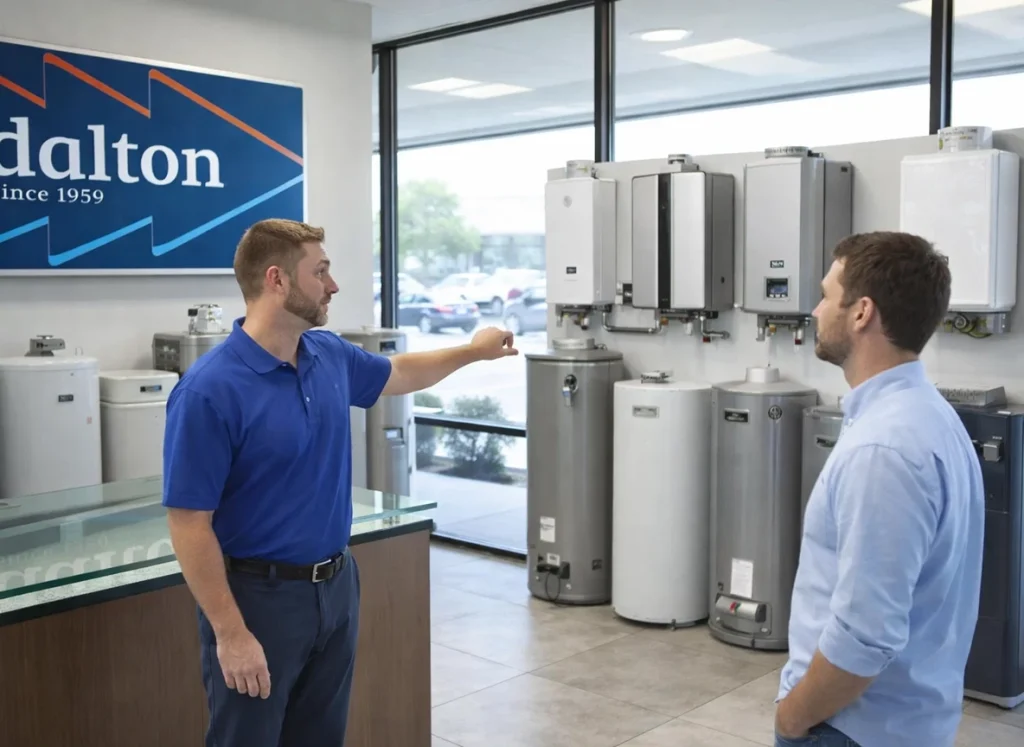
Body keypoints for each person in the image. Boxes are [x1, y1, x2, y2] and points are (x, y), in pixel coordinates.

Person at [162, 218, 517, 747]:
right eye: (321, 272)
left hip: (335, 588)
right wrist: (231, 633)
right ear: (278, 280)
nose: (333, 285)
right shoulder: (209, 391)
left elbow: (398, 373)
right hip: (258, 602)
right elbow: (189, 523)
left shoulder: (326, 354)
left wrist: (472, 352)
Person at [774, 231, 984, 747]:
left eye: (827, 295)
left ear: (862, 312)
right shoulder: (930, 417)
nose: (817, 310)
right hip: (902, 723)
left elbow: (865, 637)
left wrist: (793, 718)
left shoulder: (885, 449)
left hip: (848, 730)